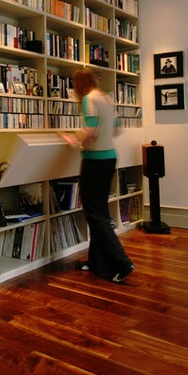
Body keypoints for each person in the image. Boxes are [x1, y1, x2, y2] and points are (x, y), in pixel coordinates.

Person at [61, 67, 135, 283]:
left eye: (74, 86)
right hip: (110, 158)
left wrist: (73, 140)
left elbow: (90, 130)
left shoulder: (88, 99)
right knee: (100, 211)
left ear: (79, 84)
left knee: (94, 214)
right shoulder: (107, 99)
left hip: (94, 161)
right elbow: (117, 130)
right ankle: (96, 261)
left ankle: (121, 263)